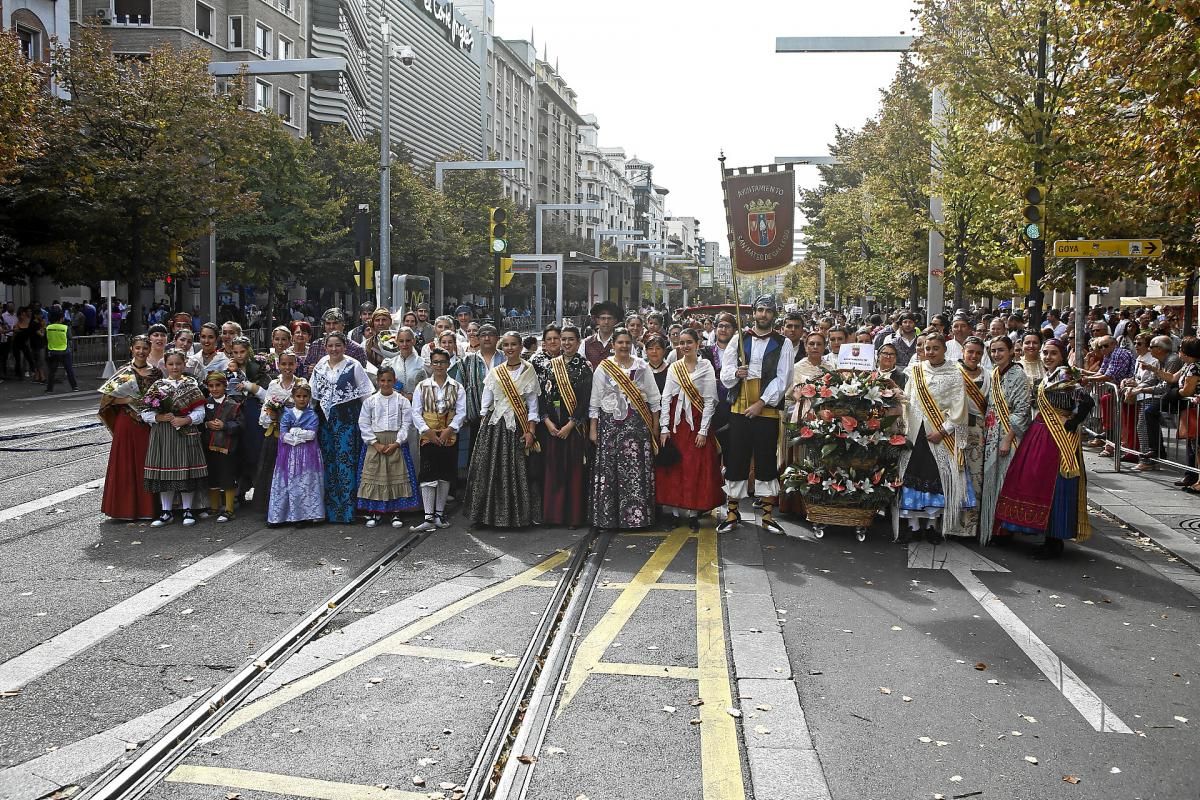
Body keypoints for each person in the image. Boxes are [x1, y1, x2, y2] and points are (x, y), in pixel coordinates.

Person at [994, 339, 1095, 558]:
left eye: (1053, 353)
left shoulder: (1065, 375)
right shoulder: (1048, 376)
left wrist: (1072, 422)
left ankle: (1054, 539)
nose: (1048, 357)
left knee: (1055, 484)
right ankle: (1038, 530)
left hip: (1057, 438)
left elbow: (1086, 401)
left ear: (1062, 355)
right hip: (1040, 432)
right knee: (1034, 481)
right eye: (1046, 353)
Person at [718, 295, 795, 535]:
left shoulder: (784, 344)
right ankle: (732, 512)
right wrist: (736, 373)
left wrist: (762, 402)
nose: (763, 315)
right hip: (740, 407)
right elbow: (725, 371)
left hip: (767, 409)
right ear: (753, 313)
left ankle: (768, 516)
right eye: (760, 310)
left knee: (765, 458)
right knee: (736, 458)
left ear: (774, 314)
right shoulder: (739, 339)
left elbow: (784, 379)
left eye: (768, 311)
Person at [895, 333, 975, 541]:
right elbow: (909, 398)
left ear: (944, 349)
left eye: (935, 348)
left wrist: (944, 431)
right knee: (912, 474)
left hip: (938, 434)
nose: (930, 352)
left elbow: (959, 408)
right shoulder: (915, 370)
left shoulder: (955, 374)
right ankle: (913, 525)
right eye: (927, 348)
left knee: (936, 476)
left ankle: (932, 525)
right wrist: (895, 396)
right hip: (915, 430)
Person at [465, 331, 540, 528]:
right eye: (506, 345)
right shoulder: (496, 371)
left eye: (513, 344)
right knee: (489, 469)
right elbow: (486, 400)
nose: (509, 348)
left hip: (518, 425)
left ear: (520, 347)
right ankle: (485, 516)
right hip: (494, 425)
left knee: (516, 471)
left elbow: (533, 405)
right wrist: (484, 424)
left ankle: (516, 517)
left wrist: (530, 430)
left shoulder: (528, 370)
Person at [590, 328, 661, 531]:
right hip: (610, 427)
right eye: (619, 342)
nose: (623, 346)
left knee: (635, 471)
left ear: (632, 344)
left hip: (637, 428)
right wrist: (593, 429)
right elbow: (595, 401)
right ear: (612, 345)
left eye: (627, 343)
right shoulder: (604, 368)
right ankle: (609, 519)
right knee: (611, 471)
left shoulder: (642, 367)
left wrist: (655, 426)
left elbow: (654, 399)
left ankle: (637, 519)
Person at [656, 329, 722, 531]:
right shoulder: (675, 367)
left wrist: (703, 430)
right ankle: (676, 513)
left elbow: (710, 400)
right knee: (675, 468)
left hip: (696, 421)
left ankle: (694, 512)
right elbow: (666, 397)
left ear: (697, 343)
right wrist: (665, 427)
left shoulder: (706, 366)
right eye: (682, 342)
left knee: (695, 468)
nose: (685, 346)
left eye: (689, 342)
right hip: (677, 425)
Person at [310, 332, 374, 523]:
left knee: (347, 463)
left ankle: (348, 510)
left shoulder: (353, 365)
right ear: (325, 347)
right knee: (329, 463)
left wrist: (370, 422)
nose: (334, 349)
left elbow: (366, 395)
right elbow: (313, 397)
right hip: (326, 424)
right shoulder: (320, 366)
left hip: (347, 422)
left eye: (338, 345)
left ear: (344, 346)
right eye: (330, 346)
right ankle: (331, 511)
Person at [141, 349, 209, 527]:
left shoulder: (191, 385)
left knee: (186, 472)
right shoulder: (158, 386)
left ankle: (187, 509)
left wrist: (185, 419)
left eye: (178, 363)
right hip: (164, 434)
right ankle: (166, 511)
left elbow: (200, 413)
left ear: (184, 363)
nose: (175, 367)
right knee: (165, 474)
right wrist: (159, 417)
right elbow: (145, 412)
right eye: (171, 364)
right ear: (165, 365)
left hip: (186, 432)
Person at [99, 336, 163, 521]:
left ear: (149, 350)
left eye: (145, 348)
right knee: (125, 465)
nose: (141, 351)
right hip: (127, 423)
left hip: (147, 424)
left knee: (147, 464)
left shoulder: (156, 373)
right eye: (138, 348)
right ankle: (123, 510)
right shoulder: (124, 372)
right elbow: (107, 401)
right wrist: (128, 399)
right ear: (131, 349)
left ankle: (148, 508)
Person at [538, 325, 592, 528]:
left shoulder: (584, 367)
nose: (567, 343)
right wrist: (548, 422)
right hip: (553, 426)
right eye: (564, 339)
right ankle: (554, 515)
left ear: (578, 342)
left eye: (571, 339)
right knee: (554, 470)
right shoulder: (551, 365)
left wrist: (571, 424)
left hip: (574, 428)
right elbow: (542, 395)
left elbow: (585, 400)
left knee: (574, 472)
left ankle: (573, 516)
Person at [979, 335, 1031, 545]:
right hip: (991, 432)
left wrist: (1008, 439)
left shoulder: (1018, 375)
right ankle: (990, 525)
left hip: (1008, 436)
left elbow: (1022, 410)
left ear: (1011, 351)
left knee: (1004, 481)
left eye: (1001, 350)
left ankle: (1003, 529)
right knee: (991, 480)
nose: (997, 354)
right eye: (993, 351)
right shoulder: (993, 373)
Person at [411, 348, 467, 531]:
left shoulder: (457, 387)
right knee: (428, 474)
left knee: (445, 474)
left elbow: (461, 412)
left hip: (449, 436)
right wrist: (428, 432)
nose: (439, 366)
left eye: (442, 362)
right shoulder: (422, 386)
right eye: (435, 362)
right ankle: (428, 517)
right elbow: (416, 413)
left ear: (448, 364)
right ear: (431, 364)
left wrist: (449, 430)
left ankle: (439, 515)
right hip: (428, 436)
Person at [357, 366, 420, 527]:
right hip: (375, 442)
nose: (385, 384)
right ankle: (376, 512)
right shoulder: (370, 401)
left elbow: (407, 424)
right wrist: (374, 443)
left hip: (395, 442)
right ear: (377, 382)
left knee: (395, 475)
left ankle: (396, 512)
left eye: (389, 380)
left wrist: (398, 442)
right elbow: (364, 423)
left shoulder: (402, 401)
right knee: (376, 476)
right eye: (382, 381)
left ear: (395, 381)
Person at [268, 380, 325, 526]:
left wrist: (294, 432)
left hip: (307, 455)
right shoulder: (287, 414)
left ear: (309, 397)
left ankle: (304, 515)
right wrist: (297, 434)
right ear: (293, 397)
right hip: (289, 456)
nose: (302, 399)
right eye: (298, 396)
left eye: (305, 396)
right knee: (288, 483)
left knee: (306, 483)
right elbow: (283, 434)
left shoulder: (312, 415)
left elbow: (311, 435)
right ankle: (282, 516)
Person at [250, 350, 300, 513]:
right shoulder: (273, 385)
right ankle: (273, 508)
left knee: (293, 473)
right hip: (275, 433)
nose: (287, 367)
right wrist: (271, 416)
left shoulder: (301, 383)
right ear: (278, 365)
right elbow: (265, 409)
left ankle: (293, 509)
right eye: (284, 364)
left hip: (294, 435)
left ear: (296, 365)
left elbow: (306, 409)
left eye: (291, 364)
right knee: (272, 471)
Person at [958, 337, 991, 535]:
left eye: (978, 353)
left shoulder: (988, 376)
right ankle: (952, 525)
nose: (974, 356)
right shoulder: (954, 372)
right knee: (958, 475)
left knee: (977, 478)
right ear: (963, 352)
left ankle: (971, 527)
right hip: (957, 430)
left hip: (979, 432)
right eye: (970, 352)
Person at [201, 372, 242, 524]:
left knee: (227, 476)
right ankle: (214, 507)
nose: (214, 389)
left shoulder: (234, 404)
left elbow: (240, 424)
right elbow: (200, 421)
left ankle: (229, 509)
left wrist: (225, 426)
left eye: (218, 385)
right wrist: (206, 424)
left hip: (227, 447)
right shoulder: (205, 403)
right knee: (212, 476)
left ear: (225, 386)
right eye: (211, 386)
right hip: (209, 445)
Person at [44, 307, 78, 393]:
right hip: (65, 351)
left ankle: (49, 389)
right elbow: (70, 338)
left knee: (52, 371)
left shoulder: (48, 327)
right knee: (69, 370)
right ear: (60, 318)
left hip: (52, 351)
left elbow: (46, 338)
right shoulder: (65, 328)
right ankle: (74, 387)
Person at [583, 301, 621, 368]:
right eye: (603, 318)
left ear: (615, 320)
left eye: (609, 318)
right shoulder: (586, 343)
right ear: (597, 320)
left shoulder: (624, 342)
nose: (606, 322)